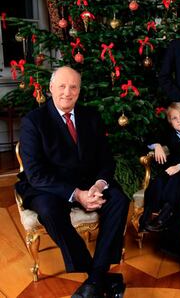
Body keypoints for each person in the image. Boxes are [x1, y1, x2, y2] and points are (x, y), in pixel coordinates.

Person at [15, 66, 130, 298]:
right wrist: (77, 194)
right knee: (48, 209)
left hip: (89, 182)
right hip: (49, 185)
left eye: (73, 87)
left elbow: (106, 160)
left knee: (118, 199)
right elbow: (36, 174)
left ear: (79, 90)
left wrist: (98, 186)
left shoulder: (91, 116)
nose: (67, 92)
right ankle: (97, 275)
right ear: (50, 88)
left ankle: (95, 280)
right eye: (62, 86)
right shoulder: (33, 121)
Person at [140, 102, 180, 238]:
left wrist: (179, 166)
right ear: (171, 122)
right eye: (175, 118)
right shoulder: (169, 134)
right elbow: (147, 137)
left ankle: (164, 216)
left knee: (175, 184)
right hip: (172, 168)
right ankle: (146, 217)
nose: (179, 120)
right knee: (157, 182)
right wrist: (157, 145)